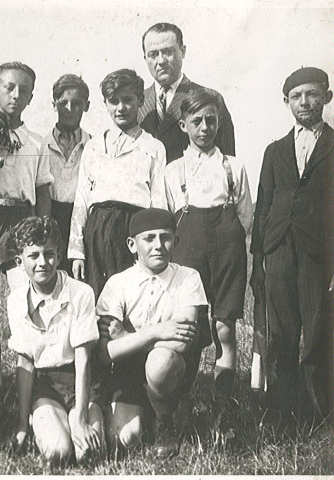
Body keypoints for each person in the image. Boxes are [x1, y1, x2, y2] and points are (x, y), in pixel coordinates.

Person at [0, 61, 53, 421]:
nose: (14, 95)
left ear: (31, 96)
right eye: (7, 87)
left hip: (20, 222)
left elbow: (43, 189)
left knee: (25, 303)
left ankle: (33, 385)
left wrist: (42, 229)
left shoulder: (35, 141)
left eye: (22, 90)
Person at [250, 67, 333, 423]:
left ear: (327, 98)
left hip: (319, 252)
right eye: (297, 96)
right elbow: (263, 206)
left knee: (317, 333)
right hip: (278, 248)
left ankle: (322, 413)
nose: (305, 102)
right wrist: (258, 261)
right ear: (286, 102)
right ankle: (285, 412)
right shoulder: (275, 150)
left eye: (313, 94)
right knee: (281, 333)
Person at [164, 90, 252, 410]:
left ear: (219, 122)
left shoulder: (233, 167)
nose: (205, 127)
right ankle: (183, 398)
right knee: (191, 321)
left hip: (228, 248)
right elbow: (166, 219)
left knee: (224, 325)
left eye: (211, 120)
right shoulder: (173, 171)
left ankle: (223, 401)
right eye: (197, 121)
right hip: (189, 249)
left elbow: (245, 217)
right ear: (184, 125)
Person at [96, 208, 207, 459]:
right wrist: (158, 331)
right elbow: (105, 353)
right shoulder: (118, 283)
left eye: (166, 237)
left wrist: (126, 337)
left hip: (168, 369)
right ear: (132, 244)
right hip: (129, 372)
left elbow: (180, 342)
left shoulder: (188, 277)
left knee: (161, 361)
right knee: (123, 440)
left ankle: (166, 418)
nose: (158, 245)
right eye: (149, 238)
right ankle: (146, 411)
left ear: (176, 242)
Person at [8, 216, 103, 464]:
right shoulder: (16, 300)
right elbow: (25, 361)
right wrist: (21, 426)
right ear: (19, 261)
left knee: (88, 453)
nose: (43, 263)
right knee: (58, 452)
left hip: (80, 382)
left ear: (59, 255)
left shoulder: (81, 292)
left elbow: (83, 359)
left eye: (49, 254)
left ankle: (75, 418)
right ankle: (37, 419)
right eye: (34, 255)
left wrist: (81, 419)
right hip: (45, 385)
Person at [68, 69, 166, 299]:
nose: (121, 108)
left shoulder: (152, 147)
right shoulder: (93, 147)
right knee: (99, 300)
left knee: (133, 298)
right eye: (114, 101)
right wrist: (77, 251)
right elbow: (81, 200)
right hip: (97, 230)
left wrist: (154, 244)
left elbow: (159, 201)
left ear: (141, 101)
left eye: (128, 100)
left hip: (133, 228)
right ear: (105, 103)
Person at [138, 22, 235, 163]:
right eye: (153, 54)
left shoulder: (211, 98)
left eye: (168, 52)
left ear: (183, 51)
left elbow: (227, 161)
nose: (161, 61)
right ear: (145, 58)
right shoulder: (137, 101)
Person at [40, 74, 92, 276]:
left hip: (80, 219)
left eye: (77, 104)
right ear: (54, 105)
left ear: (86, 106)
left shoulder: (93, 146)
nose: (69, 110)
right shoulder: (41, 145)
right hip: (51, 214)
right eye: (63, 103)